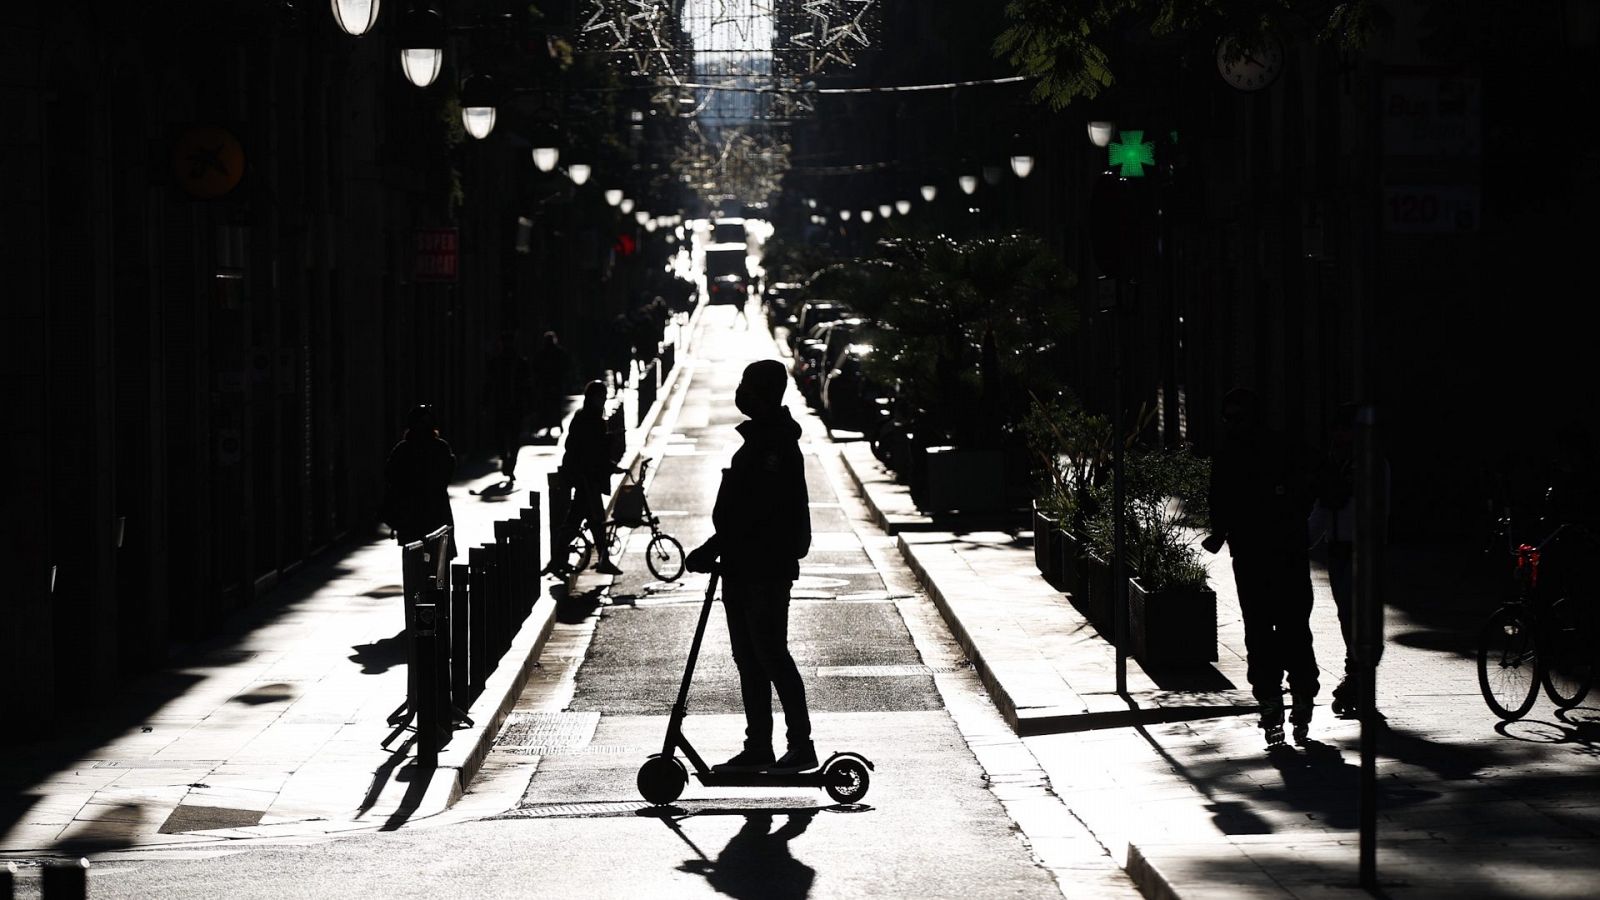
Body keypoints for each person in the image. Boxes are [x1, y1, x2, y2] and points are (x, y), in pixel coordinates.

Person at [686, 359, 815, 775]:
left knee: (771, 653)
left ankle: (800, 745)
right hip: (742, 567)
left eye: (746, 386)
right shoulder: (761, 439)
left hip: (763, 568)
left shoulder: (773, 445)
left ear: (761, 393)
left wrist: (712, 547)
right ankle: (759, 745)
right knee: (750, 659)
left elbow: (755, 514)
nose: (740, 393)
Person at [1201, 387, 1319, 748]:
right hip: (1261, 554)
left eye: (1237, 417)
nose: (1232, 424)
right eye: (1228, 417)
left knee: (1285, 625)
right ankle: (1282, 697)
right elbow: (1219, 499)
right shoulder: (1239, 453)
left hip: (1277, 553)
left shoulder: (1268, 450)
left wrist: (1221, 531)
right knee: (1272, 626)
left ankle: (1289, 696)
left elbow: (1302, 491)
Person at [1307, 403, 1390, 719]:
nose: (1339, 437)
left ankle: (1360, 673)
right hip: (1339, 549)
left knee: (1363, 615)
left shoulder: (1373, 466)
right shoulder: (1335, 464)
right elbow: (1323, 509)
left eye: (1344, 431)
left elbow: (1380, 510)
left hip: (1365, 550)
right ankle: (1355, 670)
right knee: (1346, 615)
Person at [545, 380, 623, 577]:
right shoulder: (590, 418)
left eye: (604, 396)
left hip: (586, 478)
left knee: (582, 519)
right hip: (586, 478)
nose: (603, 400)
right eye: (601, 396)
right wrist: (608, 451)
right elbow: (589, 450)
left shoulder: (588, 415)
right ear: (593, 397)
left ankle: (560, 558)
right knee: (592, 519)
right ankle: (563, 559)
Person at [382, 403, 458, 563]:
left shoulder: (403, 450)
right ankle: (436, 587)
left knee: (416, 564)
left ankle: (421, 587)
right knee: (438, 564)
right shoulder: (440, 448)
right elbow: (447, 475)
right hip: (434, 513)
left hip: (412, 516)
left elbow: (390, 478)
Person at [483, 331, 532, 481]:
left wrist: (485, 403)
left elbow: (489, 385)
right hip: (511, 406)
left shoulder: (500, 362)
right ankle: (509, 462)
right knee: (512, 438)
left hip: (505, 405)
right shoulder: (517, 362)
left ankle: (507, 461)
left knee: (505, 436)